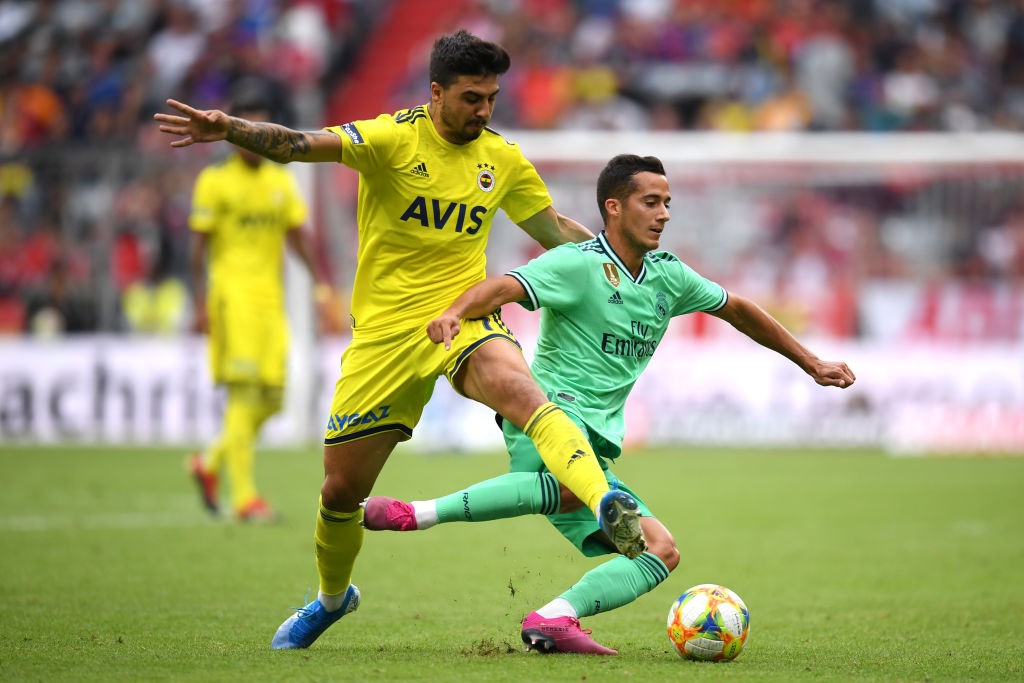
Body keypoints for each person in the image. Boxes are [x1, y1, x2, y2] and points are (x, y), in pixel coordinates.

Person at [154, 29, 644, 650]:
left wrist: (619, 261)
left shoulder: (504, 159)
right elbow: (301, 146)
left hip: (462, 319)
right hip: (384, 339)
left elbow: (555, 231)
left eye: (492, 97)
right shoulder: (389, 138)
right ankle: (333, 599)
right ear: (436, 92)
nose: (484, 111)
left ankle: (606, 503)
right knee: (340, 492)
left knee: (521, 391)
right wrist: (231, 128)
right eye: (472, 98)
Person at [362, 154, 857, 654]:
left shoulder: (669, 277)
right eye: (651, 202)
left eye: (667, 202)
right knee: (574, 490)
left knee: (660, 551)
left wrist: (811, 362)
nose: (664, 213)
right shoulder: (577, 264)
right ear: (614, 207)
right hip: (547, 416)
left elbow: (740, 310)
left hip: (596, 444)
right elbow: (503, 287)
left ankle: (554, 618)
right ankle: (414, 512)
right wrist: (453, 313)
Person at [185, 93, 331, 523]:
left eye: (261, 131)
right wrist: (200, 302)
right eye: (247, 129)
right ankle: (245, 497)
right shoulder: (215, 182)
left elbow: (298, 236)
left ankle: (209, 462)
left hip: (271, 301)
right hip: (232, 299)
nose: (254, 139)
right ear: (232, 134)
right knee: (244, 395)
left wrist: (321, 287)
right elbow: (199, 247)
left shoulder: (280, 181)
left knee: (275, 399)